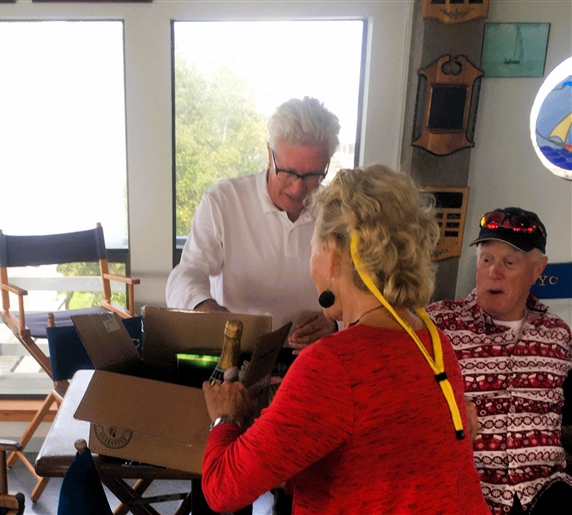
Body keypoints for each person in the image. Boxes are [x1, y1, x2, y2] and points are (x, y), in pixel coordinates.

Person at [200, 165, 489, 514]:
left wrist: (225, 418)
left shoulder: (331, 365)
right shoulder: (434, 343)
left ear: (333, 254)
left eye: (313, 248)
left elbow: (223, 489)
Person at [427, 207, 572, 515]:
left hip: (544, 490)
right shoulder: (438, 324)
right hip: (467, 489)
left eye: (509, 262)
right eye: (486, 259)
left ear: (537, 270)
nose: (494, 271)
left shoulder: (557, 334)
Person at [166, 96, 340, 352]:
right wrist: (208, 310)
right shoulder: (223, 201)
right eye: (289, 172)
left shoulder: (336, 212)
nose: (298, 187)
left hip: (311, 356)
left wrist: (335, 323)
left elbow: (360, 294)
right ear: (270, 156)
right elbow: (185, 275)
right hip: (238, 351)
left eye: (313, 175)